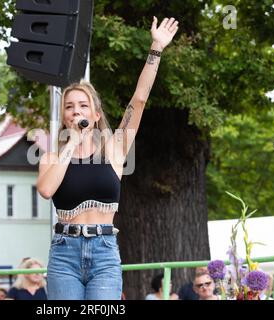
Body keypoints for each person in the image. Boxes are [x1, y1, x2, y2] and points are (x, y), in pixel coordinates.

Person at [37, 15, 179, 300]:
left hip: (103, 250)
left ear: (96, 114)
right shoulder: (52, 156)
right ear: (64, 116)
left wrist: (156, 49)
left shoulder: (114, 149)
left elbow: (138, 100)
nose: (76, 110)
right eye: (69, 107)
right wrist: (72, 141)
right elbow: (46, 189)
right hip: (64, 252)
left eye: (82, 105)